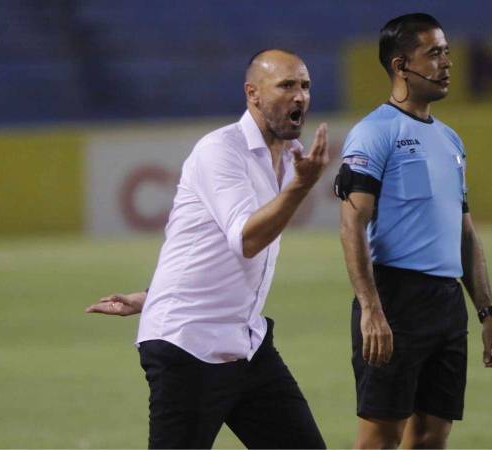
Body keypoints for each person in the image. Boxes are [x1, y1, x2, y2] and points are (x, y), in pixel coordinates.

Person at [86, 49, 329, 449]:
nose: (299, 96)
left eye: (305, 85)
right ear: (253, 93)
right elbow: (246, 240)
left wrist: (152, 295)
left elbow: (208, 249)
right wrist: (301, 188)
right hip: (188, 344)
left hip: (246, 344)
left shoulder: (292, 159)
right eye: (286, 85)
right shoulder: (221, 151)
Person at [334, 14, 492, 449]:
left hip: (446, 303)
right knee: (380, 439)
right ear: (400, 65)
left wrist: (487, 313)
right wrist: (371, 309)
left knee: (432, 436)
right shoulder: (374, 133)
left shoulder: (451, 141)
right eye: (433, 54)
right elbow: (351, 223)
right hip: (395, 300)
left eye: (446, 52)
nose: (446, 62)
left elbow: (465, 234)